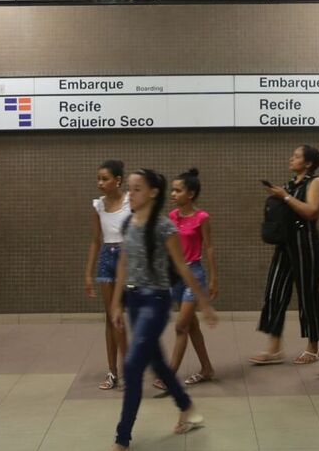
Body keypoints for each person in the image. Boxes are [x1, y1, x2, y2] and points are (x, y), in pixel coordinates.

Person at [110, 168, 214, 450]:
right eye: (129, 189)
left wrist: (204, 302)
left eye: (137, 189)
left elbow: (183, 266)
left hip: (155, 302)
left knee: (132, 366)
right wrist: (116, 303)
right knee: (157, 363)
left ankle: (122, 438)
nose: (130, 194)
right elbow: (123, 265)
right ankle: (187, 407)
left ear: (153, 193)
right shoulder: (128, 223)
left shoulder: (164, 227)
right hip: (133, 302)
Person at [251, 145, 319, 366]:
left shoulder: (316, 182)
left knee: (307, 295)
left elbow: (311, 212)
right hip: (285, 245)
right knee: (274, 292)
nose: (291, 159)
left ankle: (313, 347)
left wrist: (284, 197)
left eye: (296, 156)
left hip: (306, 246)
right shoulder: (289, 185)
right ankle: (274, 348)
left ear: (309, 163)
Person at [157, 168, 216, 388]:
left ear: (190, 194)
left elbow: (209, 248)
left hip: (195, 275)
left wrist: (213, 279)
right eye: (172, 190)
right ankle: (207, 368)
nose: (173, 194)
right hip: (176, 276)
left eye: (177, 190)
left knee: (181, 326)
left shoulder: (202, 217)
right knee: (192, 327)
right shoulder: (172, 217)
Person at [84, 159, 131, 390]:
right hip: (106, 258)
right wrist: (88, 273)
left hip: (127, 258)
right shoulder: (98, 205)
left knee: (123, 314)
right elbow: (95, 240)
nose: (100, 183)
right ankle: (113, 372)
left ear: (118, 180)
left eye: (105, 178)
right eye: (98, 179)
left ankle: (131, 367)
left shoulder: (131, 201)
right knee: (110, 316)